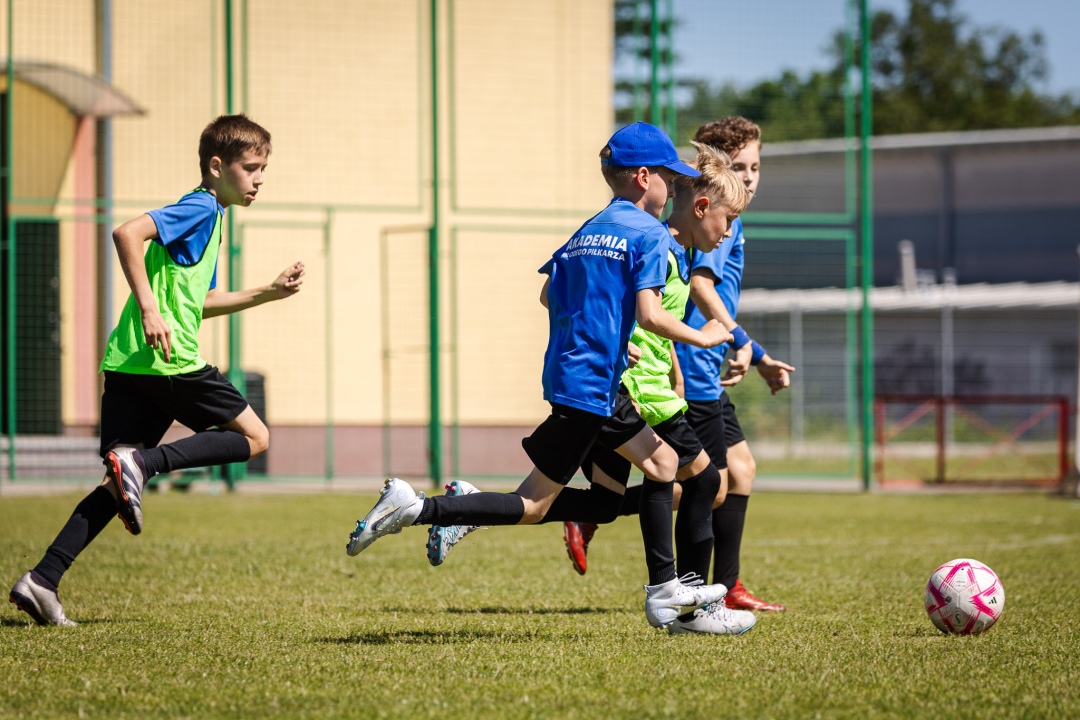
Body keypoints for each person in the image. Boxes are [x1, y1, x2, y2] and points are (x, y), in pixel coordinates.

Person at [344, 122, 731, 630]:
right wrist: (704, 336)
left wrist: (606, 331)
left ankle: (666, 589)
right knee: (540, 502)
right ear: (643, 177)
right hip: (594, 386)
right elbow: (652, 314)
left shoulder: (591, 228)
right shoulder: (650, 233)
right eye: (668, 177)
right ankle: (419, 508)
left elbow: (551, 294)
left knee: (641, 477)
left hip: (573, 377)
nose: (673, 187)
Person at [8, 114, 305, 627]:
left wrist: (267, 292)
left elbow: (201, 300)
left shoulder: (210, 219)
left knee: (114, 484)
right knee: (255, 438)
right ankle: (146, 466)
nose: (259, 179)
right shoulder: (200, 205)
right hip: (170, 361)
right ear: (217, 167)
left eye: (263, 169)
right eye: (251, 168)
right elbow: (127, 234)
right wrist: (147, 306)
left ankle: (42, 580)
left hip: (130, 362)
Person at [565, 117, 794, 613]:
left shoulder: (713, 223)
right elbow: (690, 292)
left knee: (726, 475)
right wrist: (738, 341)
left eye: (756, 166)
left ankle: (710, 586)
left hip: (689, 365)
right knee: (703, 482)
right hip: (676, 369)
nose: (750, 177)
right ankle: (694, 591)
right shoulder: (682, 233)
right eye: (741, 167)